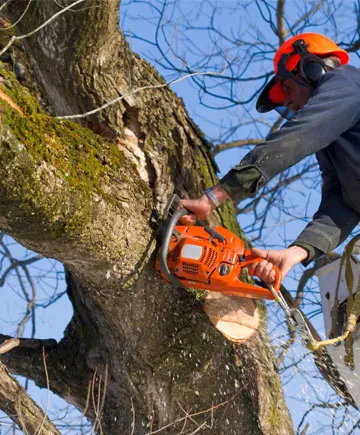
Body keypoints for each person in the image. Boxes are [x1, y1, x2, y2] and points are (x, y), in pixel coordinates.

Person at [180, 33, 360, 284]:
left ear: (312, 69)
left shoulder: (347, 82)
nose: (286, 100)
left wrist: (214, 197)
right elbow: (343, 204)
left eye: (287, 87)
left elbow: (297, 136)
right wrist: (297, 252)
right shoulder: (335, 141)